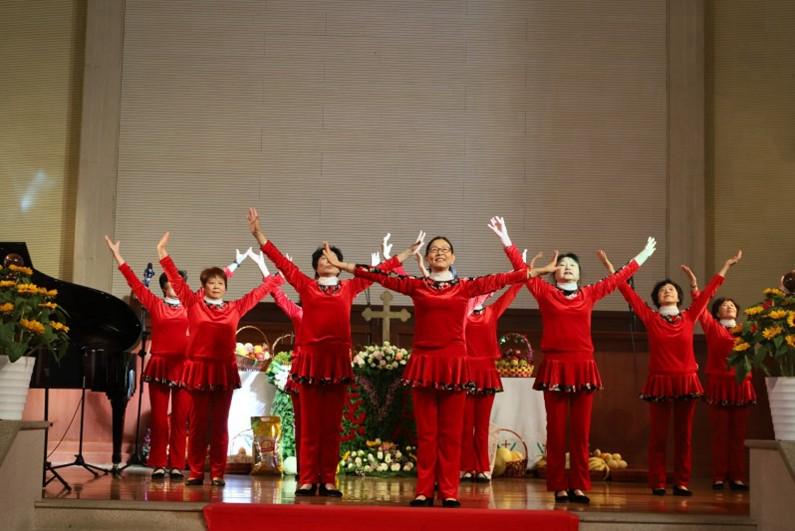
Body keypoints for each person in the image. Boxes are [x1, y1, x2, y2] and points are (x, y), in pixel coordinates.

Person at [321, 234, 532, 507]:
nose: (439, 253)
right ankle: (424, 490)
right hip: (424, 364)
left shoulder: (466, 287)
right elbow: (380, 276)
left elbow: (505, 278)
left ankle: (449, 491)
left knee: (451, 433)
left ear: (453, 258)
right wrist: (344, 265)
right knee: (427, 433)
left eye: (445, 249)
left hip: (454, 365)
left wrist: (533, 271)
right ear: (428, 258)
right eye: (434, 250)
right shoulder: (417, 285)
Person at [490, 216, 656, 504]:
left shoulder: (589, 294)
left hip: (583, 367)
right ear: (555, 273)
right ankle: (558, 484)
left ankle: (578, 484)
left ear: (579, 273)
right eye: (562, 266)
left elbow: (617, 279)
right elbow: (522, 270)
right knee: (556, 431)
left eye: (572, 266)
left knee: (580, 433)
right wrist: (506, 239)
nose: (566, 268)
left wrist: (641, 256)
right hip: (555, 366)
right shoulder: (545, 292)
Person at [247, 208, 408, 498]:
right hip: (309, 360)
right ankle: (307, 479)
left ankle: (328, 480)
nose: (327, 261)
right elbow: (281, 262)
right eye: (322, 258)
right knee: (309, 424)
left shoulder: (349, 287)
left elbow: (374, 274)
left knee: (332, 425)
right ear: (315, 266)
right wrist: (259, 234)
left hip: (336, 361)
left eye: (332, 257)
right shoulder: (306, 286)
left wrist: (403, 256)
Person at [600, 250, 742, 496]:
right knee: (658, 436)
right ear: (656, 297)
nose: (668, 291)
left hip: (686, 381)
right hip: (660, 381)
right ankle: (658, 482)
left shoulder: (689, 315)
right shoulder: (650, 317)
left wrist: (726, 265)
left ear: (679, 296)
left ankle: (682, 482)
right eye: (663, 289)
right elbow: (628, 294)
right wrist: (612, 270)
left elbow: (709, 293)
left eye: (672, 289)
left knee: (684, 436)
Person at [156, 231, 282, 486]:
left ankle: (217, 473)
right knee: (199, 424)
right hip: (198, 369)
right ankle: (194, 472)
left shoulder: (235, 307)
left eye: (220, 283)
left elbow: (262, 290)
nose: (216, 286)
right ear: (203, 287)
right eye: (211, 283)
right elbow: (176, 283)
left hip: (223, 370)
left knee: (220, 424)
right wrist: (162, 253)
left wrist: (270, 269)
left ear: (226, 286)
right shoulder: (193, 304)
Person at [682, 266, 755, 491]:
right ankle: (719, 476)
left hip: (742, 384)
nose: (729, 307)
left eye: (732, 305)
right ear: (716, 313)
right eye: (724, 305)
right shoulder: (713, 328)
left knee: (739, 434)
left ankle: (738, 477)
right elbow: (700, 303)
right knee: (720, 433)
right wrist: (694, 285)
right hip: (718, 383)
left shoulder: (747, 329)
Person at [460, 280, 525, 482]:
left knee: (482, 425)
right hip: (466, 371)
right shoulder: (460, 313)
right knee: (465, 424)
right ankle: (465, 466)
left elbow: (510, 294)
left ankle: (482, 467)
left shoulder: (493, 311)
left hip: (486, 372)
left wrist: (522, 275)